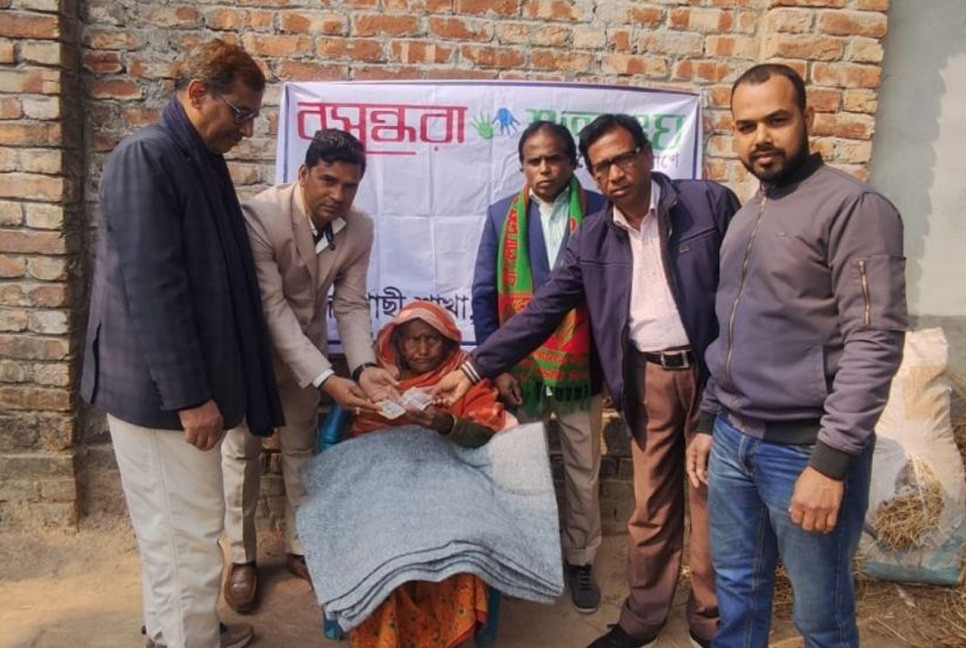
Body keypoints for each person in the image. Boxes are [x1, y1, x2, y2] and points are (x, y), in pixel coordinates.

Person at [434, 114, 740, 648]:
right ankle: (643, 618)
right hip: (648, 380)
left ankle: (710, 620)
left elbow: (744, 294)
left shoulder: (707, 205)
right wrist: (474, 367)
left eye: (624, 158)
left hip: (711, 376)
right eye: (603, 166)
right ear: (593, 175)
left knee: (708, 498)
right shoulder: (594, 235)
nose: (616, 173)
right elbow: (542, 311)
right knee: (650, 507)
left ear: (648, 154)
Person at [685, 64, 906, 648]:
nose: (761, 137)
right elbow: (733, 328)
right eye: (746, 125)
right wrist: (710, 419)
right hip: (733, 441)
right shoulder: (748, 215)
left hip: (803, 449)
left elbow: (875, 339)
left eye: (777, 120)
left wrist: (831, 463)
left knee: (821, 617)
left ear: (809, 118)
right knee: (737, 591)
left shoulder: (853, 208)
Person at [80, 39, 283, 648]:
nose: (246, 131)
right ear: (197, 94)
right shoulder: (148, 157)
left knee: (173, 530)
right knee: (188, 531)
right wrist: (192, 397)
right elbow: (153, 288)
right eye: (240, 113)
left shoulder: (195, 157)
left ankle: (176, 627)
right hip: (163, 395)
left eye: (253, 117)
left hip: (177, 389)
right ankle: (187, 639)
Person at [219, 128, 398, 612]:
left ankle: (302, 547)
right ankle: (240, 558)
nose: (339, 195)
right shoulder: (261, 216)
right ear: (303, 174)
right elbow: (272, 310)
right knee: (242, 454)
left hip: (311, 356)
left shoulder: (359, 228)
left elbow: (352, 303)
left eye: (350, 186)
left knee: (303, 450)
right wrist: (327, 378)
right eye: (328, 181)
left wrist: (362, 367)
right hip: (252, 355)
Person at [471, 120, 608, 613]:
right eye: (534, 160)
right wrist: (495, 367)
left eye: (554, 158)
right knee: (521, 470)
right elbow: (485, 296)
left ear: (573, 162)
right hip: (520, 374)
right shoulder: (500, 216)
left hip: (581, 369)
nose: (544, 169)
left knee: (582, 471)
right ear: (522, 165)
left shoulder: (600, 210)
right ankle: (524, 555)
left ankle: (581, 559)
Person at [348, 300, 510, 648]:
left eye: (431, 339)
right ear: (397, 342)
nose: (422, 349)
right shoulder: (379, 380)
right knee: (383, 549)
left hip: (450, 483)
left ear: (449, 342)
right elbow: (359, 442)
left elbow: (486, 436)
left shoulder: (465, 377)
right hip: (388, 485)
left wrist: (446, 423)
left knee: (456, 543)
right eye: (412, 340)